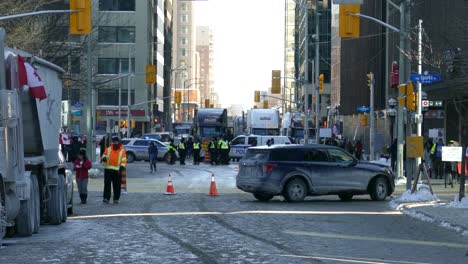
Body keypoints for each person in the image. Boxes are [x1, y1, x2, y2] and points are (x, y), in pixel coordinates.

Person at [101, 137, 127, 204]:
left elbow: (124, 160)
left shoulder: (122, 151)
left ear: (119, 142)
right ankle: (106, 198)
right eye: (114, 142)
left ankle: (116, 198)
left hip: (117, 171)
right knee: (107, 185)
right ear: (113, 142)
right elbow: (104, 156)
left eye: (117, 142)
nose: (115, 143)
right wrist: (104, 159)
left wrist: (122, 167)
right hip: (108, 169)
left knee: (117, 186)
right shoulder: (108, 149)